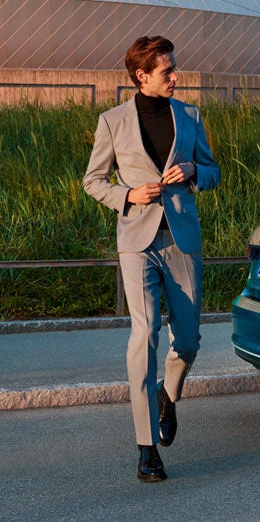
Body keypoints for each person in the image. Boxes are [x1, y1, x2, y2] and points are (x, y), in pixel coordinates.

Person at [83, 35, 220, 483]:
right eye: (167, 71)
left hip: (182, 241)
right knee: (143, 337)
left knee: (189, 342)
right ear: (142, 76)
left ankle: (169, 393)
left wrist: (197, 171)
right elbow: (93, 180)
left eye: (174, 68)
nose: (176, 77)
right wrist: (128, 194)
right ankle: (146, 448)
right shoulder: (112, 121)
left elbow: (214, 172)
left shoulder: (190, 116)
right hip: (137, 243)